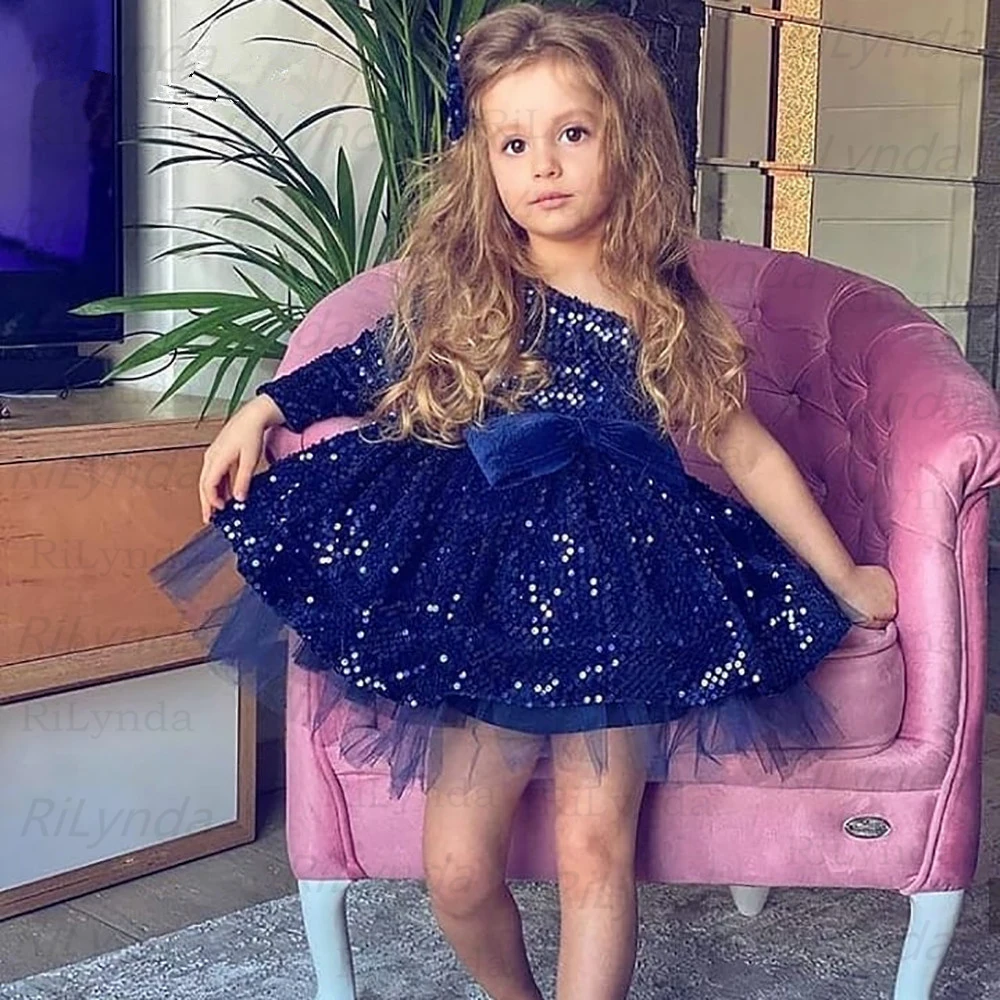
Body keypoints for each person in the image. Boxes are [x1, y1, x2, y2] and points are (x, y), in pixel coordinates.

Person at [151, 5, 898, 998]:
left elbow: (746, 449)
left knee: (596, 850)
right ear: (485, 161)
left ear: (625, 141)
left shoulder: (665, 301)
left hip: (625, 589)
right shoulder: (475, 284)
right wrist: (265, 405)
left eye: (572, 133)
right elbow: (373, 361)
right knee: (457, 870)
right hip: (487, 588)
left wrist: (840, 573)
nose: (543, 165)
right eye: (513, 143)